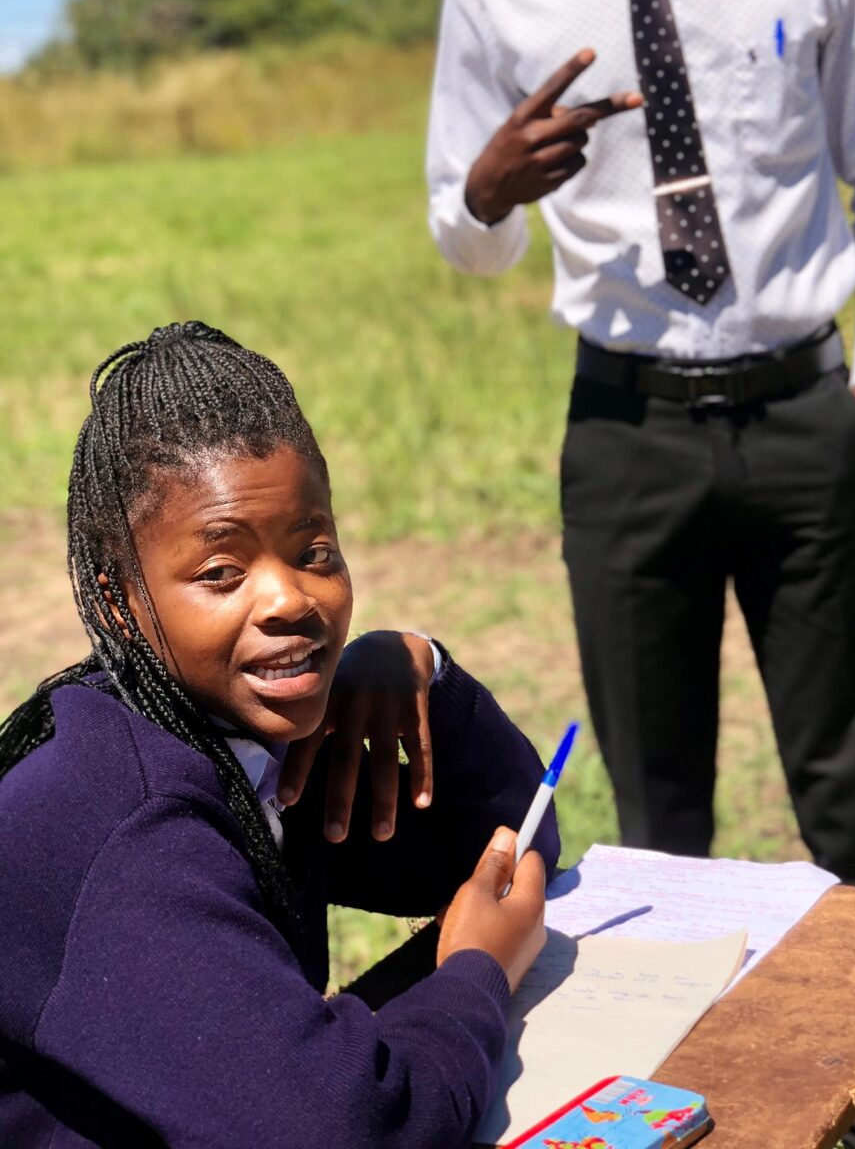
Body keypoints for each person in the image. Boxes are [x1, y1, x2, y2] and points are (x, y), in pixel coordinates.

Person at [426, 0, 855, 1149]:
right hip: (626, 435)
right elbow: (462, 242)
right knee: (660, 822)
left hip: (801, 416)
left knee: (850, 797)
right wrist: (490, 188)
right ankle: (707, 1110)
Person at [0, 320, 555, 1149]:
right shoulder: (125, 819)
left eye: (315, 551)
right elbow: (348, 1132)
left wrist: (418, 673)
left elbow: (510, 850)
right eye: (222, 573)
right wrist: (478, 975)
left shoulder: (246, 738)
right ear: (120, 599)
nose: (289, 598)